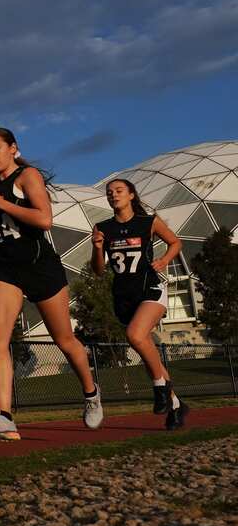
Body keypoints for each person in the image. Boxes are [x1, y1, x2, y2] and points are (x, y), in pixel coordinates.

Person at [0, 128, 103, 440]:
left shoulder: (27, 176)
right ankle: (3, 415)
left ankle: (90, 392)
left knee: (65, 340)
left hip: (40, 266)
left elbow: (44, 219)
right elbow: (10, 224)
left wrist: (3, 206)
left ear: (13, 148)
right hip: (7, 267)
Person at [92, 178, 187, 429]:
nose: (114, 195)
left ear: (132, 194)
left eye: (119, 191)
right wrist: (97, 247)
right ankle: (176, 404)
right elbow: (99, 271)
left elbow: (176, 242)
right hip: (123, 295)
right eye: (109, 192)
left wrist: (165, 260)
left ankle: (159, 388)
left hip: (150, 288)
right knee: (146, 351)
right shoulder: (102, 227)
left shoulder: (149, 222)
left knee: (135, 335)